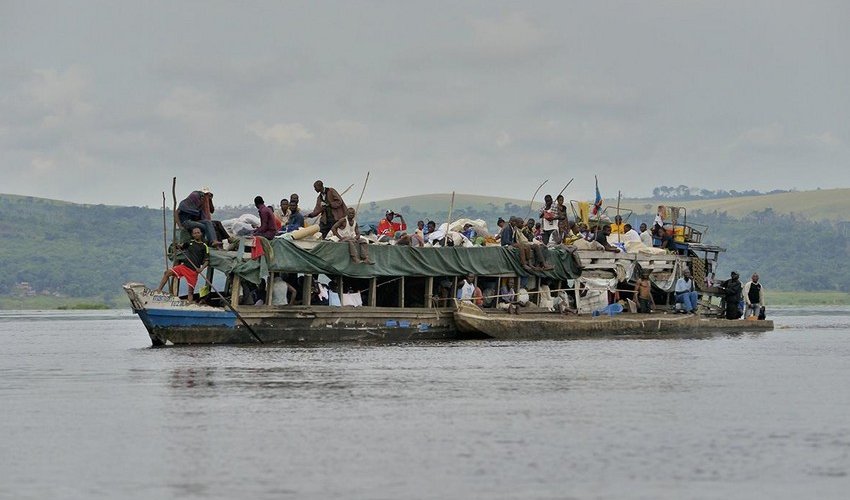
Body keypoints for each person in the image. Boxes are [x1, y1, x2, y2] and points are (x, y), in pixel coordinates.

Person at [156, 227, 208, 303]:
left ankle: (189, 305)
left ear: (201, 234)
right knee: (167, 273)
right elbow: (181, 246)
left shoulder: (204, 246)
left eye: (198, 233)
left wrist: (201, 269)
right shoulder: (190, 243)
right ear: (192, 235)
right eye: (194, 233)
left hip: (193, 271)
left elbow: (207, 261)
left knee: (190, 292)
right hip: (184, 266)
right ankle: (158, 290)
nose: (196, 234)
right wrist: (177, 246)